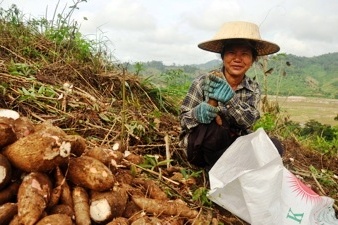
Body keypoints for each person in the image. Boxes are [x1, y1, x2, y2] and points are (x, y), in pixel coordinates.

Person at [179, 21, 283, 170]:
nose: (237, 59)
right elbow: (183, 120)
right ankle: (223, 169)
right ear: (223, 57)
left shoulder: (252, 88)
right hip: (200, 148)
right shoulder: (203, 82)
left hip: (231, 149)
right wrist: (197, 113)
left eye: (245, 54)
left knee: (274, 146)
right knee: (215, 127)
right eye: (232, 53)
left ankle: (226, 167)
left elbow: (248, 121)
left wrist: (231, 100)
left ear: (253, 60)